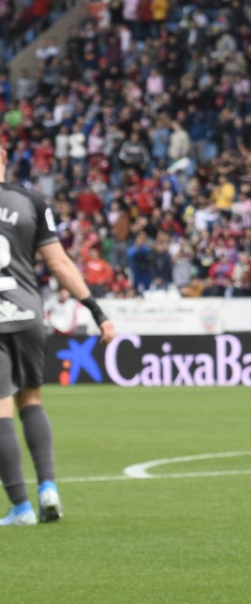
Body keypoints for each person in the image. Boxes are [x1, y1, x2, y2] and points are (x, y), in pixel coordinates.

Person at [0, 145, 116, 526]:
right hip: (29, 314)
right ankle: (48, 487)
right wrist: (97, 312)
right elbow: (60, 263)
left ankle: (20, 507)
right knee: (31, 400)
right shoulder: (31, 202)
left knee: (0, 410)